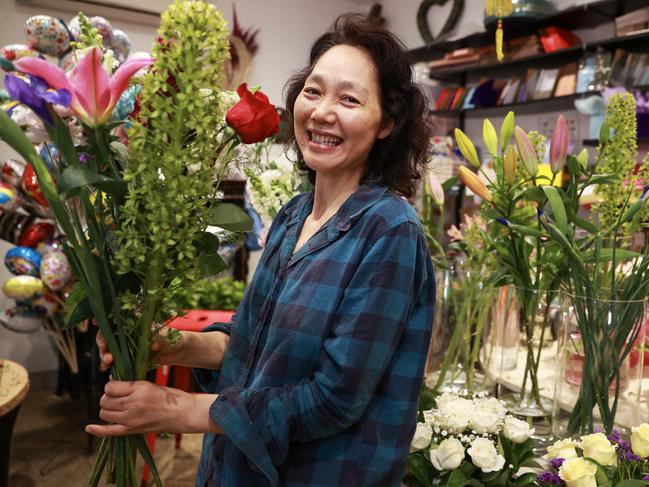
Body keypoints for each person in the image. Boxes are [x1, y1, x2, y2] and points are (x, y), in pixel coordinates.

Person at [87, 13, 436, 487]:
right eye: (313, 92)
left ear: (387, 124)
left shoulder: (389, 231)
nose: (323, 112)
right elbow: (252, 342)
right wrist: (172, 345)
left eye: (349, 99)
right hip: (234, 467)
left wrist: (179, 407)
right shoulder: (296, 214)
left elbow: (334, 398)